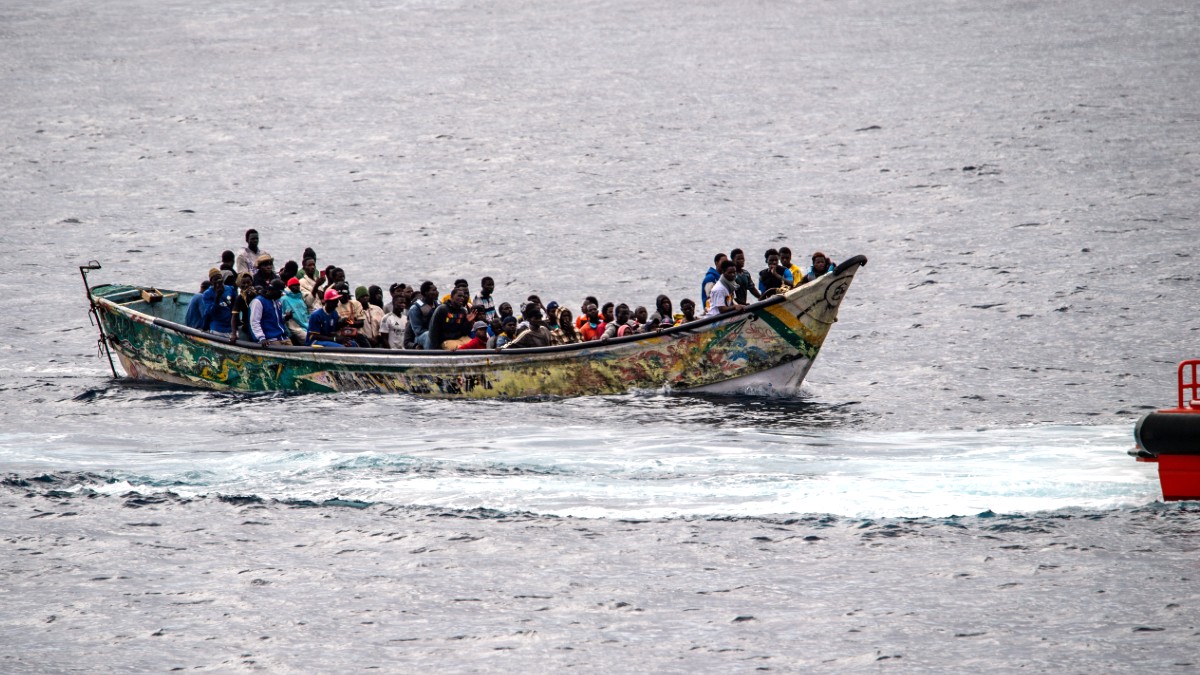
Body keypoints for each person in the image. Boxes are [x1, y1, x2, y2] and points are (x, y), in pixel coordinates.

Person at [249, 280, 291, 347]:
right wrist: (261, 338)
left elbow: (276, 320)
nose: (282, 294)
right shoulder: (258, 302)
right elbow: (254, 322)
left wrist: (286, 317)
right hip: (270, 339)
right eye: (280, 292)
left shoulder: (277, 301)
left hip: (283, 337)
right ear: (273, 290)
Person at [201, 269, 237, 338]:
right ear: (211, 282)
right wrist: (217, 297)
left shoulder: (230, 289)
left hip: (231, 328)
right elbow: (210, 313)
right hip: (217, 329)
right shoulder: (207, 294)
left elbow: (235, 307)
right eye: (215, 280)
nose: (218, 281)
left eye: (219, 278)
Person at [335, 283, 369, 348]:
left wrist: (348, 321)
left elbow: (360, 323)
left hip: (356, 334)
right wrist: (341, 322)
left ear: (348, 294)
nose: (342, 297)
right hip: (340, 335)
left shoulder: (356, 304)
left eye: (343, 295)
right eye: (340, 296)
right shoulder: (335, 305)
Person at [407, 281, 439, 349]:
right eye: (434, 290)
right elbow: (418, 330)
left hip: (437, 333)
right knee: (429, 335)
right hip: (422, 336)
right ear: (426, 293)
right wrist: (434, 333)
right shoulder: (415, 308)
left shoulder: (439, 305)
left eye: (436, 290)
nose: (437, 292)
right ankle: (429, 356)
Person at [280, 277, 311, 345]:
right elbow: (283, 318)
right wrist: (289, 334)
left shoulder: (300, 298)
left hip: (307, 325)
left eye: (298, 285)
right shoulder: (284, 299)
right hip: (296, 328)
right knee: (310, 340)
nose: (297, 287)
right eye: (294, 285)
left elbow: (305, 314)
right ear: (290, 287)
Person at [229, 272, 257, 343]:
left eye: (248, 282)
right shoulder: (239, 298)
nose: (246, 285)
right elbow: (234, 317)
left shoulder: (258, 293)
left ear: (252, 282)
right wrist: (234, 334)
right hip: (247, 326)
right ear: (239, 285)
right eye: (243, 283)